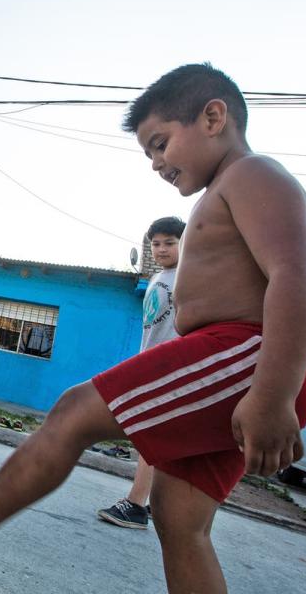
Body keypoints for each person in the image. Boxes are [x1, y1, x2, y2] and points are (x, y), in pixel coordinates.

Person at [0, 64, 306, 594]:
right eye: (148, 152)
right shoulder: (226, 190)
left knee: (76, 411)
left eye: (161, 143)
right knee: (178, 521)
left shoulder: (253, 174)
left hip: (249, 360)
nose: (156, 163)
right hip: (236, 366)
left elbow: (300, 274)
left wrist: (272, 395)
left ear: (213, 117)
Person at [98, 216, 185, 529]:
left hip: (171, 366)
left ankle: (136, 504)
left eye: (170, 243)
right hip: (151, 362)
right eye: (156, 244)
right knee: (152, 436)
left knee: (151, 435)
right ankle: (148, 504)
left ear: (185, 243)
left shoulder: (189, 276)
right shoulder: (158, 277)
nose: (161, 249)